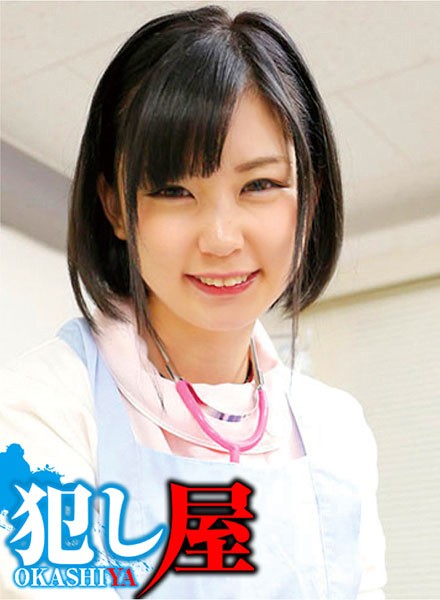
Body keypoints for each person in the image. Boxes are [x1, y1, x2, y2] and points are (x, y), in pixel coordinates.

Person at [0, 5, 386, 599]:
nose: (221, 238)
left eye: (260, 185)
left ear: (309, 198)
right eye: (174, 190)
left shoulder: (338, 431)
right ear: (116, 208)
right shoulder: (43, 408)